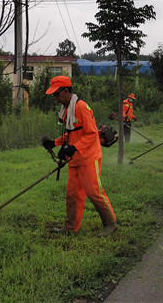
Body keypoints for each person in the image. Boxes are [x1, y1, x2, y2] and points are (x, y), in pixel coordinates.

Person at [41, 75, 117, 237]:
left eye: (57, 94)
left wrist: (74, 148)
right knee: (73, 193)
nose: (55, 98)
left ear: (66, 91)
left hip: (89, 157)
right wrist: (54, 143)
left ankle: (110, 223)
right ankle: (70, 227)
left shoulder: (81, 107)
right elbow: (72, 134)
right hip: (75, 159)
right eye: (53, 94)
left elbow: (91, 134)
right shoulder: (67, 109)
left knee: (93, 192)